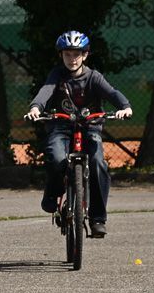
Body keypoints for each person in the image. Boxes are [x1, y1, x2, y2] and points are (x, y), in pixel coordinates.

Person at [24, 30, 133, 237]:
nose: (72, 59)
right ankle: (53, 193)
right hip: (61, 126)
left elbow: (112, 93)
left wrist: (124, 106)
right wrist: (36, 108)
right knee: (56, 158)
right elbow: (45, 92)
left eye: (77, 54)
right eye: (67, 54)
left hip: (90, 127)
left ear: (85, 55)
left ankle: (98, 219)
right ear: (61, 55)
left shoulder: (93, 77)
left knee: (99, 164)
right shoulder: (57, 75)